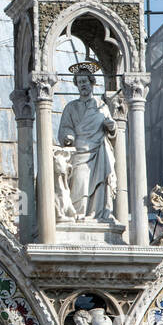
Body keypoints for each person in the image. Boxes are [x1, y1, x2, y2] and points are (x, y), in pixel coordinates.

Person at [57, 62, 117, 220]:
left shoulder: (101, 106)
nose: (83, 85)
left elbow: (112, 130)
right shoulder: (71, 107)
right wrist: (67, 136)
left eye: (85, 81)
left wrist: (111, 127)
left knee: (100, 184)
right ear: (77, 85)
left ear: (92, 82)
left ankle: (97, 214)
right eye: (80, 82)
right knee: (80, 183)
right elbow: (65, 127)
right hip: (79, 152)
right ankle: (79, 214)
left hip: (98, 151)